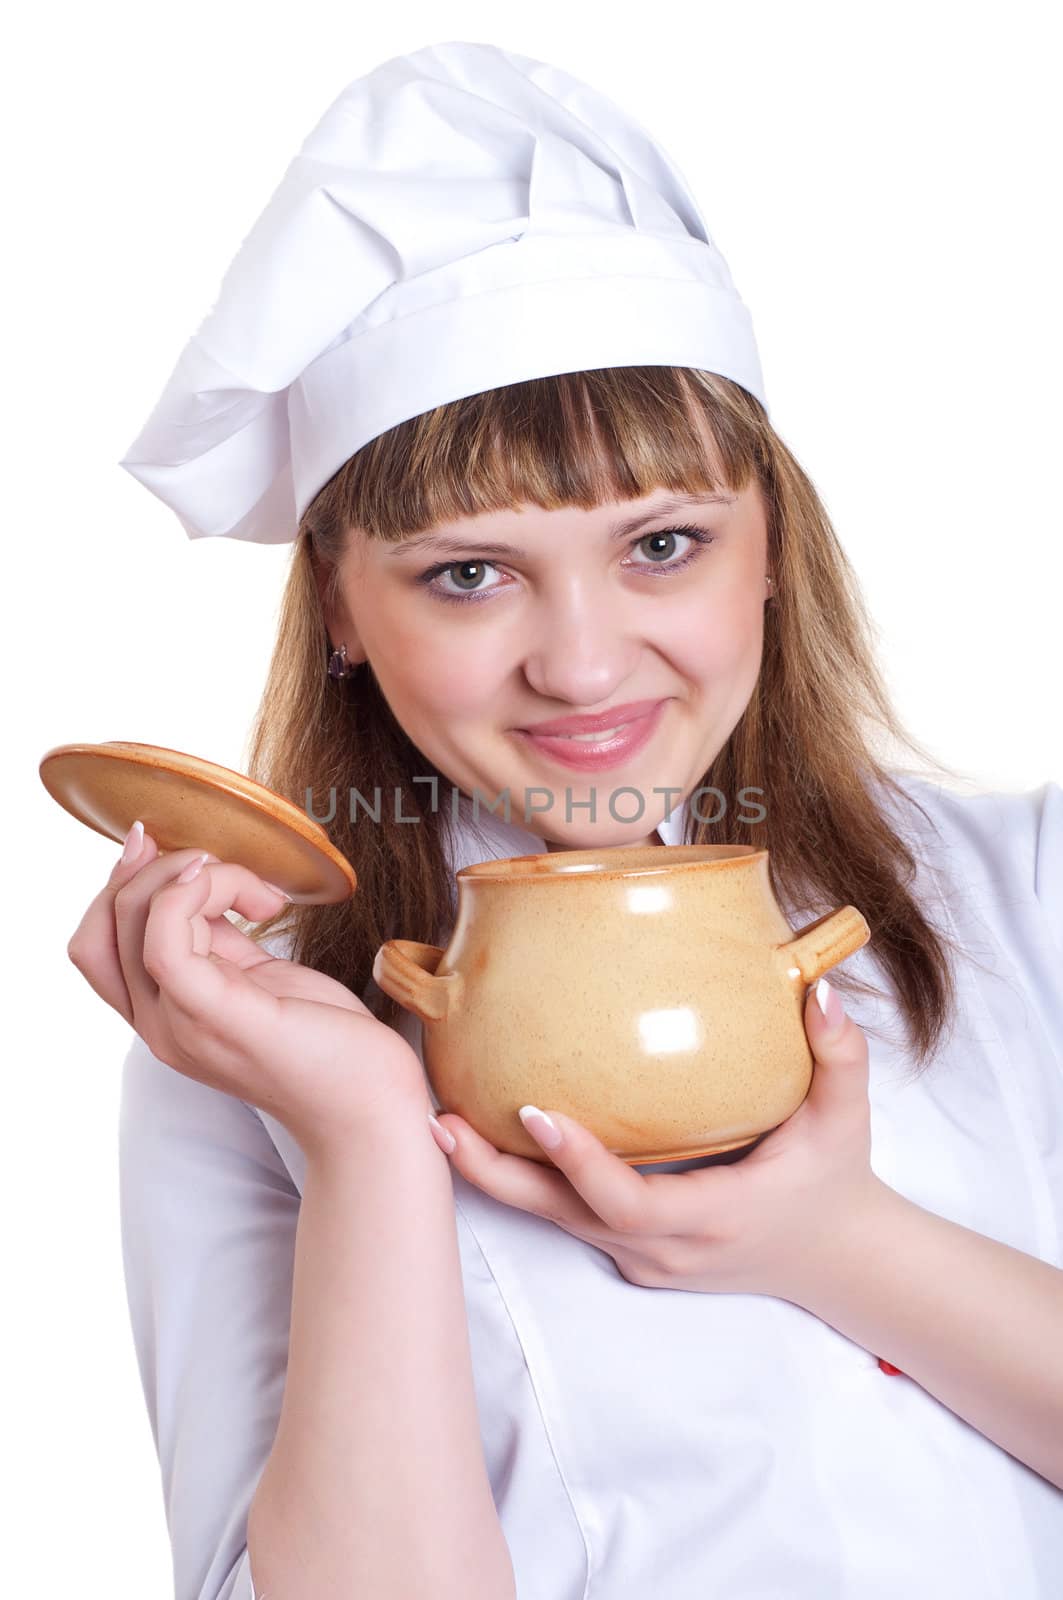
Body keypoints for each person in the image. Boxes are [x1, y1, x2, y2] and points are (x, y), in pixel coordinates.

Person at [67, 40, 1063, 1600]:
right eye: (470, 573)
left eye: (662, 543)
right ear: (341, 602)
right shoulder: (248, 1045)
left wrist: (834, 1243)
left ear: (771, 549)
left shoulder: (1027, 897)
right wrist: (366, 1137)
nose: (584, 664)